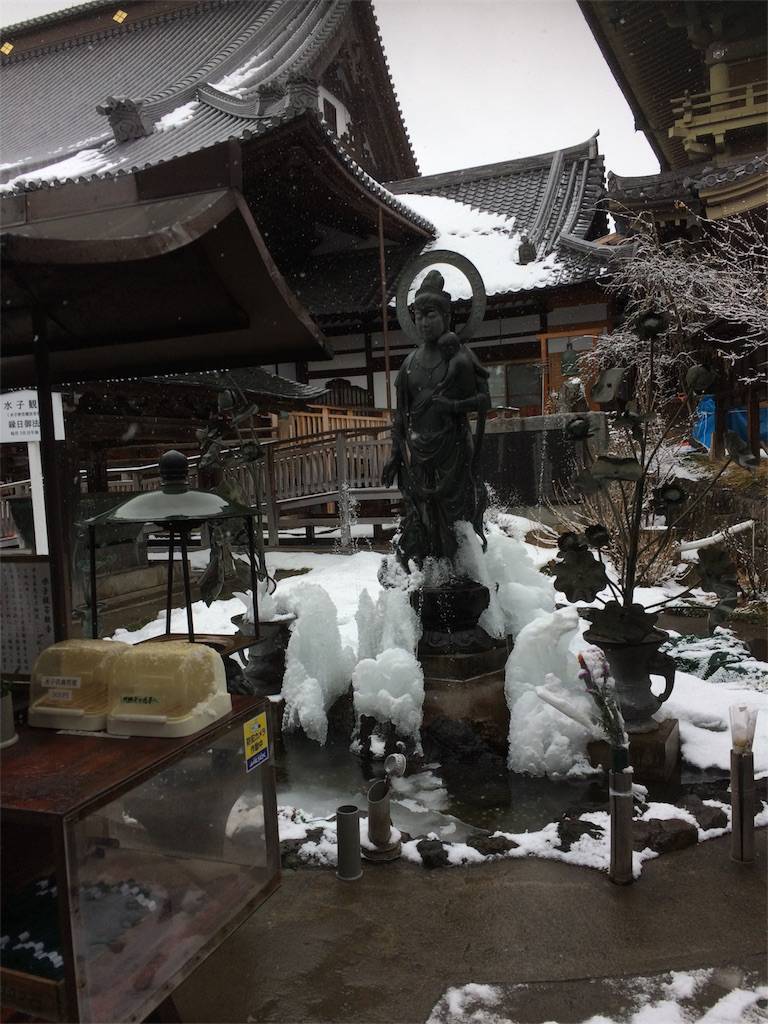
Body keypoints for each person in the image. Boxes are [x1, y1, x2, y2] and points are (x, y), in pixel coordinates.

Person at [382, 270, 490, 568]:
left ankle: (461, 572)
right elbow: (400, 415)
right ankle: (428, 571)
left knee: (457, 517)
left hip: (453, 448)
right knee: (422, 517)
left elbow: (484, 401)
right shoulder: (408, 364)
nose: (423, 322)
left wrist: (453, 405)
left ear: (447, 316)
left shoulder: (460, 356)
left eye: (431, 314)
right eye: (418, 315)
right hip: (419, 452)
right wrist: (394, 453)